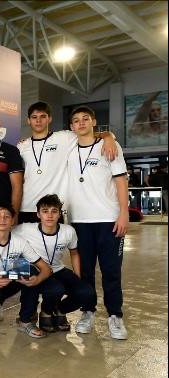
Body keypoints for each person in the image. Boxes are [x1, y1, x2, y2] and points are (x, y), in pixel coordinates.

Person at [67, 105, 129, 340]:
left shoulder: (109, 145)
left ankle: (115, 315)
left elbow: (121, 180)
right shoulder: (69, 148)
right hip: (80, 220)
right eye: (76, 120)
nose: (81, 123)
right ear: (71, 126)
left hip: (108, 219)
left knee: (111, 271)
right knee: (85, 272)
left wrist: (124, 213)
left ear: (93, 122)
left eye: (85, 118)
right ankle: (88, 312)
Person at [18, 102, 117, 223]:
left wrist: (108, 136)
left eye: (43, 116)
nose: (38, 121)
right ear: (28, 121)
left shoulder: (64, 137)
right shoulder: (22, 146)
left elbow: (88, 134)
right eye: (34, 117)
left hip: (53, 209)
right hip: (27, 206)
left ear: (49, 119)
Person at [13, 194, 96, 333]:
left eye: (54, 211)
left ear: (59, 214)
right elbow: (4, 233)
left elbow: (74, 253)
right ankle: (44, 312)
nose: (50, 215)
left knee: (86, 292)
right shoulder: (25, 229)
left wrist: (77, 277)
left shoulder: (68, 231)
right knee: (56, 289)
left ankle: (58, 310)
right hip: (37, 270)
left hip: (58, 269)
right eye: (45, 211)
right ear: (38, 214)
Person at [0, 204, 54, 338]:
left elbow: (46, 268)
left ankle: (25, 321)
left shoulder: (19, 242)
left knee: (31, 273)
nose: (3, 219)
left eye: (7, 216)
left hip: (8, 281)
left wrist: (37, 280)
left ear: (12, 220)